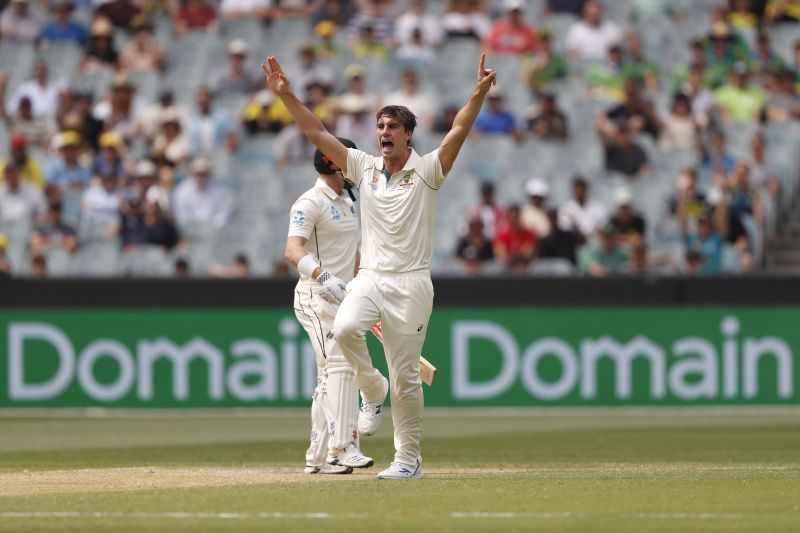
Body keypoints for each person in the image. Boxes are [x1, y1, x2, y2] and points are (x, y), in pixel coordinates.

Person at [262, 51, 497, 480]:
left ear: (408, 135)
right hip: (368, 278)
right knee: (347, 329)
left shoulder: (428, 170)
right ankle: (372, 389)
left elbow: (459, 130)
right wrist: (286, 95)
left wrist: (478, 93)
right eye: (380, 127)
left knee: (406, 377)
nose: (384, 133)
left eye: (393, 127)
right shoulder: (363, 168)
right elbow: (315, 131)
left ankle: (408, 460)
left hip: (411, 284)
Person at [284, 137, 373, 475]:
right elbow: (293, 250)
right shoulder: (309, 202)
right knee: (341, 364)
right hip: (314, 298)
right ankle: (342, 448)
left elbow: (354, 253)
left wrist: (366, 283)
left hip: (345, 298)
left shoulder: (348, 200)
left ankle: (318, 455)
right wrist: (324, 278)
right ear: (333, 162)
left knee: (328, 377)